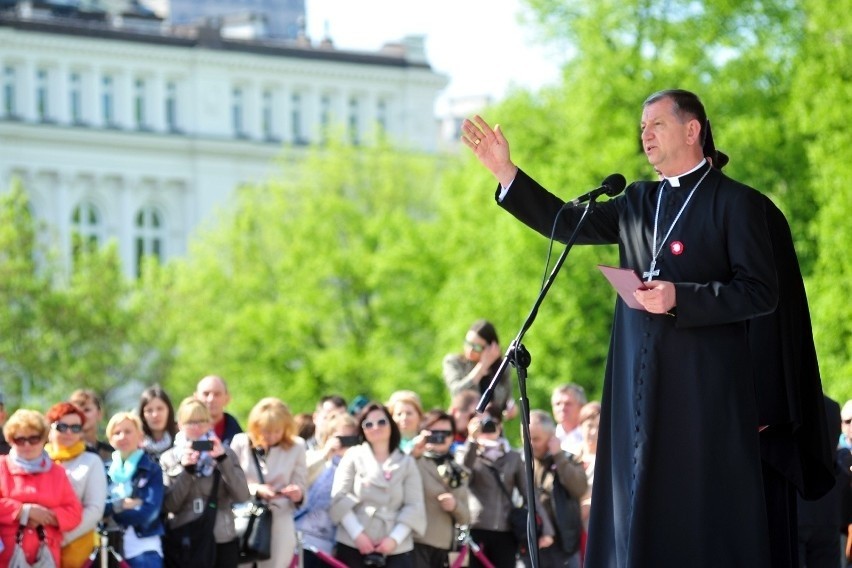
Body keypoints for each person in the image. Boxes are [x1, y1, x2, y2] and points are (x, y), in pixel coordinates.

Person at [462, 89, 782, 566]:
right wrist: (507, 174)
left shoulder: (737, 204)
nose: (645, 136)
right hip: (637, 384)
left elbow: (761, 292)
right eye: (641, 128)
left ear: (692, 130)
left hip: (703, 390)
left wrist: (682, 297)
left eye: (657, 125)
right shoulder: (637, 200)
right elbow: (565, 223)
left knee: (694, 511)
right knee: (635, 507)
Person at [330, 401, 426, 567]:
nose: (375, 427)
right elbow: (339, 497)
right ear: (362, 429)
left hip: (396, 547)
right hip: (353, 543)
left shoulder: (407, 462)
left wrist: (393, 540)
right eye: (368, 424)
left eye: (381, 422)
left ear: (391, 425)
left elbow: (414, 506)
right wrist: (358, 535)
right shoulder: (353, 456)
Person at [160, 397, 250, 568]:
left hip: (221, 536)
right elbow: (170, 506)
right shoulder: (169, 458)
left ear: (210, 423)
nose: (196, 427)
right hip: (185, 537)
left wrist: (222, 460)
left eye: (201, 421)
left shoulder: (226, 453)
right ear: (179, 424)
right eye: (190, 422)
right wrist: (187, 471)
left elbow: (242, 495)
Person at [231, 397, 307, 568]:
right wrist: (255, 489)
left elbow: (301, 485)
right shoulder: (241, 442)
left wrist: (297, 493)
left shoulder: (297, 446)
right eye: (266, 430)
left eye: (276, 431)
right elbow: (230, 482)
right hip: (245, 518)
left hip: (279, 518)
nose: (271, 436)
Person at [0, 409, 83, 566]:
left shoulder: (57, 472)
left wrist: (47, 516)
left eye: (34, 438)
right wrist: (23, 511)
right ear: (10, 440)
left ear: (44, 439)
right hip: (6, 557)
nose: (27, 445)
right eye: (20, 439)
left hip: (46, 556)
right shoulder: (1, 467)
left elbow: (74, 513)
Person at [455, 412, 538, 568]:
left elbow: (529, 493)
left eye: (491, 423)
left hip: (506, 530)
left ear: (500, 427)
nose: (487, 427)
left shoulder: (512, 457)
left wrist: (545, 529)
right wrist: (472, 440)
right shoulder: (468, 453)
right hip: (477, 528)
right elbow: (463, 474)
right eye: (482, 424)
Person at [45, 402, 108, 567]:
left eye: (75, 428)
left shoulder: (91, 461)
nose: (68, 432)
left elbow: (94, 510)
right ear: (49, 428)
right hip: (38, 545)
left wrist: (60, 539)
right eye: (62, 426)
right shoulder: (37, 460)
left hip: (78, 547)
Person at [295, 412, 359, 567]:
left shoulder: (358, 469)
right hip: (297, 539)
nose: (344, 443)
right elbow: (300, 479)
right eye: (340, 438)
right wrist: (325, 455)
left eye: (349, 439)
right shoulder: (312, 457)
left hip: (328, 546)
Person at [524, 410, 587, 568]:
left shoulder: (569, 459)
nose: (530, 444)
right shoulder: (521, 463)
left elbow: (579, 488)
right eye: (527, 438)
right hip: (534, 543)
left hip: (565, 545)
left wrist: (558, 456)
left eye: (536, 439)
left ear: (552, 438)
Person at [409, 409, 471, 568]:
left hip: (445, 548)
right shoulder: (414, 460)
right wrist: (414, 449)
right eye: (434, 432)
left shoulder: (458, 469)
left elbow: (466, 517)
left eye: (446, 433)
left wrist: (454, 506)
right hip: (416, 543)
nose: (441, 437)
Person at [104, 411, 165, 567]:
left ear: (140, 436)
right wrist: (122, 504)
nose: (122, 436)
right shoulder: (104, 471)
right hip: (109, 548)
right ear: (110, 439)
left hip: (143, 548)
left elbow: (149, 512)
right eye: (117, 432)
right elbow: (97, 508)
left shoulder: (151, 469)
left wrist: (113, 513)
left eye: (128, 431)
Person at [442, 319, 513, 417]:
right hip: (463, 423)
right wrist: (481, 368)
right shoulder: (454, 362)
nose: (470, 350)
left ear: (491, 348)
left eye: (477, 347)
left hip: (490, 426)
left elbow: (505, 400)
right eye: (468, 343)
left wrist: (510, 407)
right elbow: (457, 392)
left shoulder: (502, 368)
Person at [195, 375, 243, 446]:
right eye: (206, 394)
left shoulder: (240, 439)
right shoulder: (180, 432)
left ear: (227, 398)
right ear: (196, 397)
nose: (211, 399)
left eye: (217, 394)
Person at [70, 388, 114, 462]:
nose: (82, 415)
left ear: (99, 414)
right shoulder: (65, 451)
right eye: (77, 411)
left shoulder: (112, 453)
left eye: (87, 410)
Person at [576, 401, 600, 532]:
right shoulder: (569, 455)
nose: (594, 432)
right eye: (589, 426)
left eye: (599, 426)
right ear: (580, 427)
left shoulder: (609, 462)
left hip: (592, 529)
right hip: (568, 531)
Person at [138, 384, 178, 460]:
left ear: (169, 410)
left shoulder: (182, 436)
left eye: (160, 409)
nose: (155, 415)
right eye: (149, 410)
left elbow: (205, 446)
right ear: (142, 415)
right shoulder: (136, 444)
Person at [551, 384, 587, 454]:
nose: (562, 408)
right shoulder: (548, 438)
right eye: (557, 404)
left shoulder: (591, 436)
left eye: (568, 404)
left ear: (581, 406)